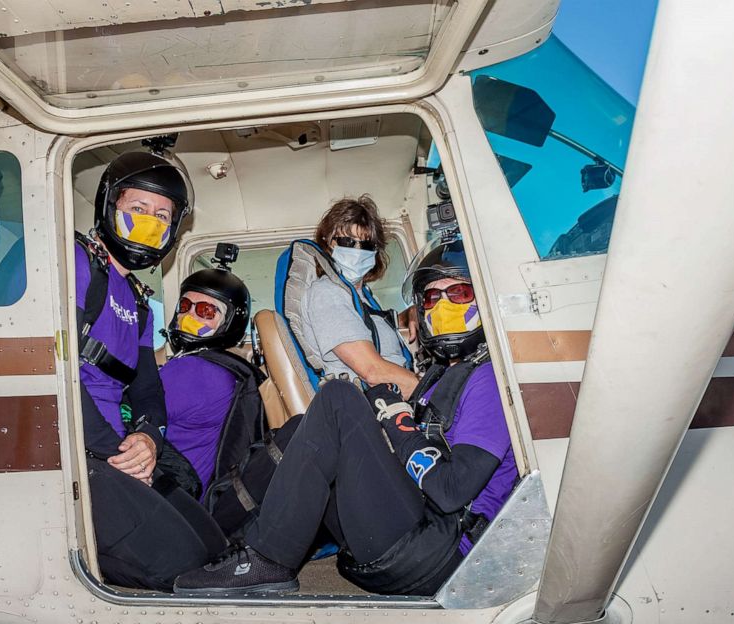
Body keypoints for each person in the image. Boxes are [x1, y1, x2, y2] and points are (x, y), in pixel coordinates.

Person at [173, 236, 518, 596]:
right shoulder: (442, 377)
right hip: (418, 530)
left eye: (460, 293)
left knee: (338, 397)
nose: (442, 306)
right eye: (431, 297)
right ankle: (225, 542)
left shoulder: (489, 378)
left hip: (442, 554)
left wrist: (394, 417)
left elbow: (450, 492)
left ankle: (267, 559)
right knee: (299, 431)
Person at [76, 149, 227, 591]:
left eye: (163, 216)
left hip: (116, 450)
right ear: (109, 206)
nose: (151, 222)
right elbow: (49, 371)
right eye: (138, 209)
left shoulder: (139, 301)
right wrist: (116, 453)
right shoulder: (75, 263)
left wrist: (146, 438)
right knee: (185, 567)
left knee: (215, 549)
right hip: (79, 453)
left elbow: (148, 392)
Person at [301, 195, 418, 397]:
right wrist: (427, 390)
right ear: (327, 243)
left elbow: (368, 328)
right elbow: (372, 371)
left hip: (391, 395)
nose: (357, 251)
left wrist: (411, 313)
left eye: (366, 245)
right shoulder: (328, 293)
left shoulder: (362, 296)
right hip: (373, 403)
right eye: (347, 241)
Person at [159, 257, 257, 498]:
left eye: (206, 310)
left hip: (170, 497)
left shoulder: (192, 370)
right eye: (184, 306)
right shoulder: (229, 369)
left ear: (230, 322)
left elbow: (127, 411)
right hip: (196, 500)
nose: (189, 316)